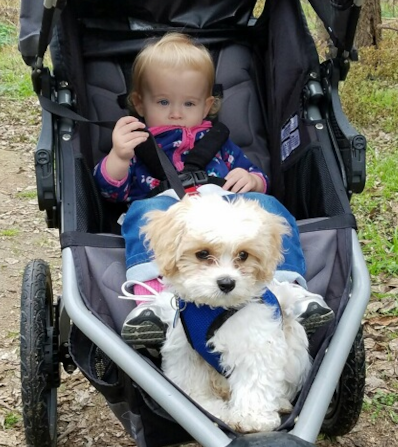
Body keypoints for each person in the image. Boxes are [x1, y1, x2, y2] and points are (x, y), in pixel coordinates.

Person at [93, 32, 332, 348]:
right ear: (139, 103)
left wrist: (251, 180)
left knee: (268, 207)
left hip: (223, 206)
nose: (176, 112)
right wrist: (119, 156)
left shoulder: (218, 140)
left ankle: (291, 291)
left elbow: (254, 173)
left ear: (207, 106)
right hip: (168, 209)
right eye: (163, 102)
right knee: (142, 213)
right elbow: (112, 191)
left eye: (189, 103)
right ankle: (153, 302)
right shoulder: (138, 143)